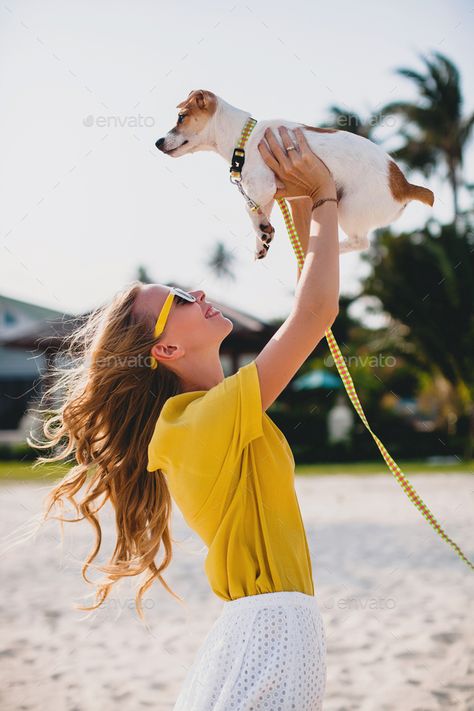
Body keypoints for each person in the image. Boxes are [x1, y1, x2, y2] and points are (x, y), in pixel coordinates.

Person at [34, 126, 340, 710]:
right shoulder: (198, 422)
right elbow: (316, 312)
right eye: (177, 299)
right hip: (273, 631)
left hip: (267, 629)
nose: (198, 293)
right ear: (165, 351)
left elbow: (311, 301)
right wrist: (321, 196)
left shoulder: (202, 417)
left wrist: (300, 195)